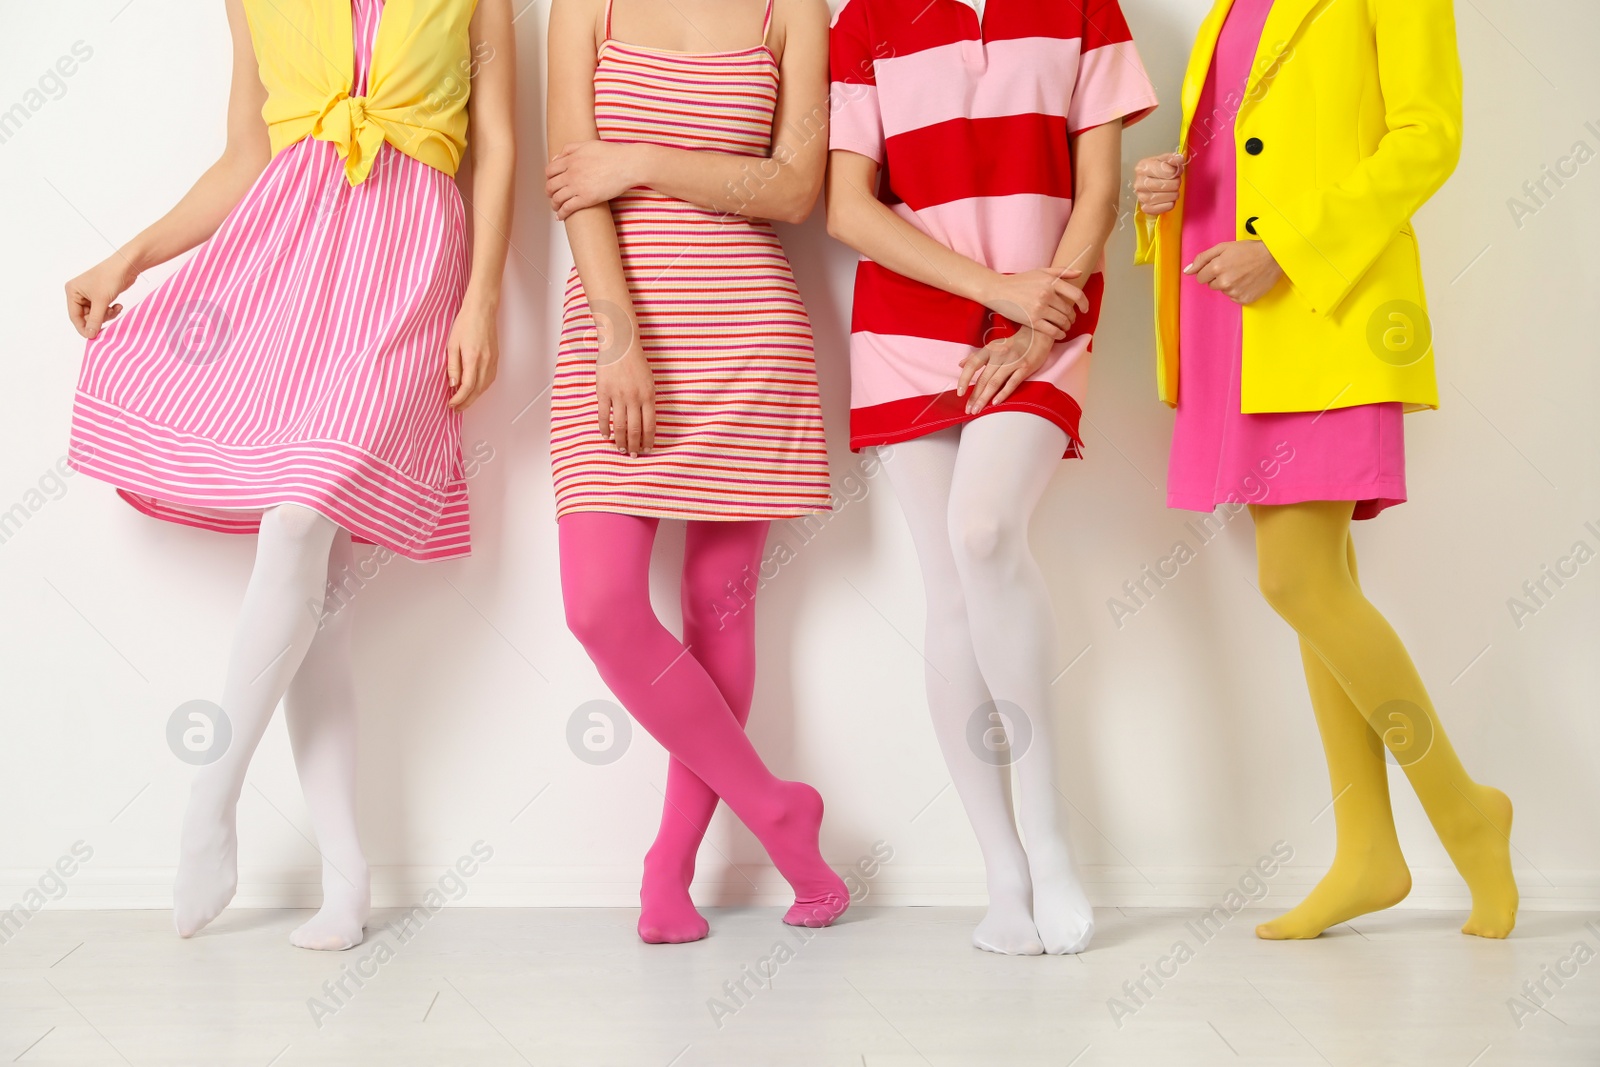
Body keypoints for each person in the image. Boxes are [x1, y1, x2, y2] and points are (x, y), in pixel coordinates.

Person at [62, 0, 517, 949]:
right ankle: (348, 882)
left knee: (302, 517)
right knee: (327, 594)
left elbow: (500, 147)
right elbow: (243, 159)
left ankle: (210, 798)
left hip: (407, 272)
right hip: (288, 272)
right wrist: (128, 255)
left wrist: (481, 301)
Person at [1132, 0, 1517, 939]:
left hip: (1325, 304)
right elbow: (1248, 139)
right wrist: (1165, 186)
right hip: (1234, 309)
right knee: (1320, 585)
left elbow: (1428, 135)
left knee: (1297, 579)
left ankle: (1468, 813)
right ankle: (1367, 851)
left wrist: (1291, 250)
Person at [825, 0, 1158, 954]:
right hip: (908, 332)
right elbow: (848, 207)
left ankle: (1052, 843)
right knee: (949, 594)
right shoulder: (865, 22)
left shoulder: (1085, 7)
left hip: (1048, 318)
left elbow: (1098, 192)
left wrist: (1036, 321)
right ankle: (1003, 869)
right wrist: (993, 292)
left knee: (984, 532)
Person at [544, 0, 847, 943]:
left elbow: (795, 189)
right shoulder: (582, 7)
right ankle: (778, 808)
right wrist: (617, 333)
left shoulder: (793, 10)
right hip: (617, 339)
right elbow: (571, 181)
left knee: (718, 618)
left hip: (747, 338)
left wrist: (640, 160)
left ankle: (669, 869)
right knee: (599, 605)